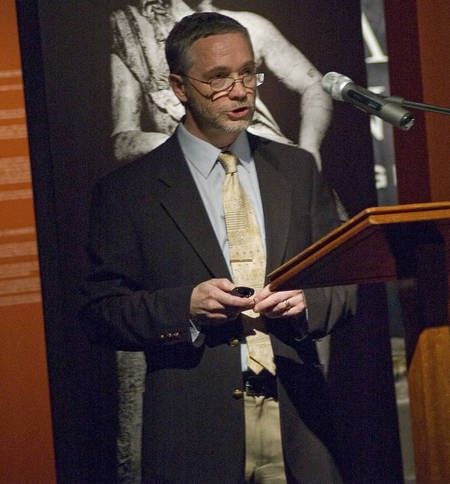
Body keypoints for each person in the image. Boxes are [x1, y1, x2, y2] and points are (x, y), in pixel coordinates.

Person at [81, 12, 356, 482]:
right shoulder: (129, 192)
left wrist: (307, 303)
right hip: (198, 437)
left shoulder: (296, 170)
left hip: (300, 427)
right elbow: (100, 313)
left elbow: (344, 284)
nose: (241, 89)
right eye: (218, 77)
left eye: (248, 73)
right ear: (179, 86)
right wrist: (183, 307)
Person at [111, 0, 332, 167]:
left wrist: (309, 150)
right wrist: (184, 146)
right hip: (197, 173)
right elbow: (123, 140)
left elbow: (315, 84)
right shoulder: (134, 35)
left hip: (270, 157)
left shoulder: (249, 25)